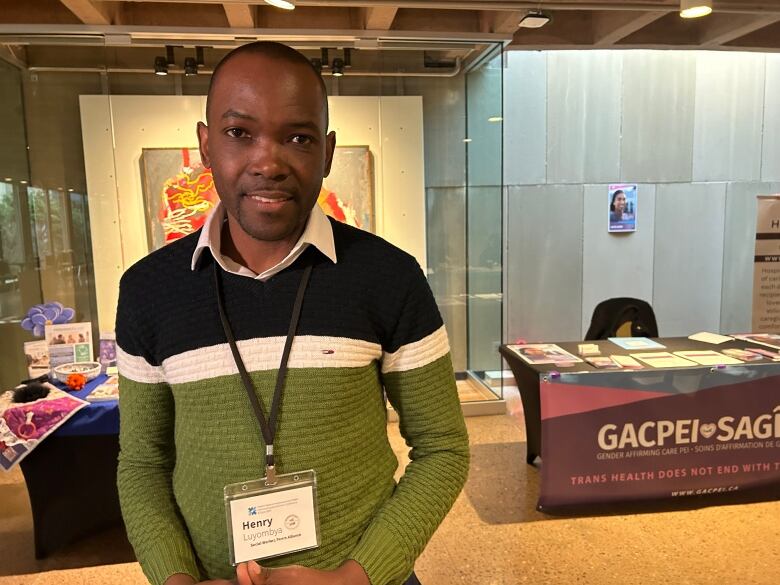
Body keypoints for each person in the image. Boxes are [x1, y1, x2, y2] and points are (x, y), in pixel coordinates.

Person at [116, 42, 469, 585]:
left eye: (297, 137)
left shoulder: (388, 277)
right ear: (206, 145)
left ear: (326, 153)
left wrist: (356, 577)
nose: (267, 161)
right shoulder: (147, 290)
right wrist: (175, 579)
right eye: (239, 133)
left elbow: (443, 447)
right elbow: (142, 464)